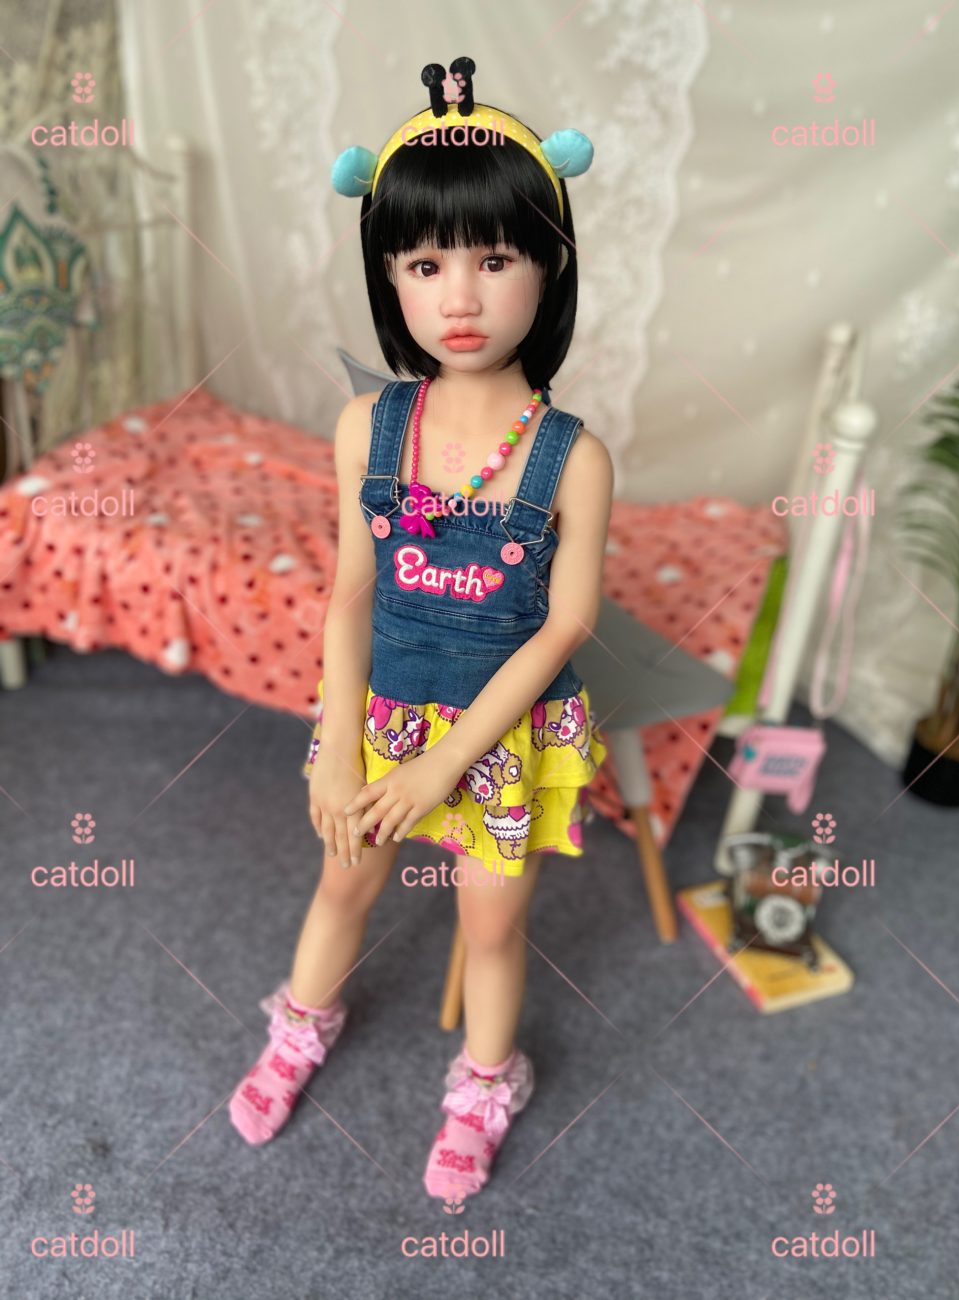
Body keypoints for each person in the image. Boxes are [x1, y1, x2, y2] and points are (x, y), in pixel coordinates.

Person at [229, 57, 613, 1202]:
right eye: (425, 263)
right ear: (387, 273)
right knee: (342, 884)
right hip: (382, 715)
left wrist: (451, 761)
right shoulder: (368, 425)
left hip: (497, 739)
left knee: (490, 928)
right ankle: (299, 1025)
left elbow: (566, 623)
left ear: (549, 264)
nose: (461, 298)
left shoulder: (573, 457)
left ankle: (485, 1083)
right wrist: (340, 741)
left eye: (495, 259)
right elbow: (352, 593)